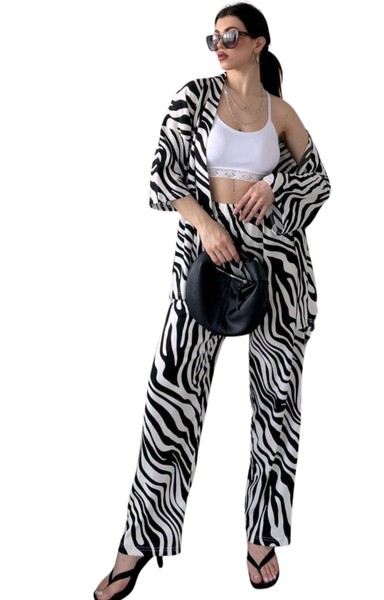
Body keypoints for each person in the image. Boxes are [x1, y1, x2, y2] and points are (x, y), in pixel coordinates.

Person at [93, 2, 331, 598]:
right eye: (214, 37)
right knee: (171, 395)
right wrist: (205, 224)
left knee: (277, 405)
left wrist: (275, 185)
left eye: (231, 35)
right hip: (207, 257)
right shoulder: (194, 97)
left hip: (276, 265)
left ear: (259, 42)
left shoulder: (282, 113)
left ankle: (262, 535)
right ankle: (137, 544)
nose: (220, 45)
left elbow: (320, 181)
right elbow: (162, 174)